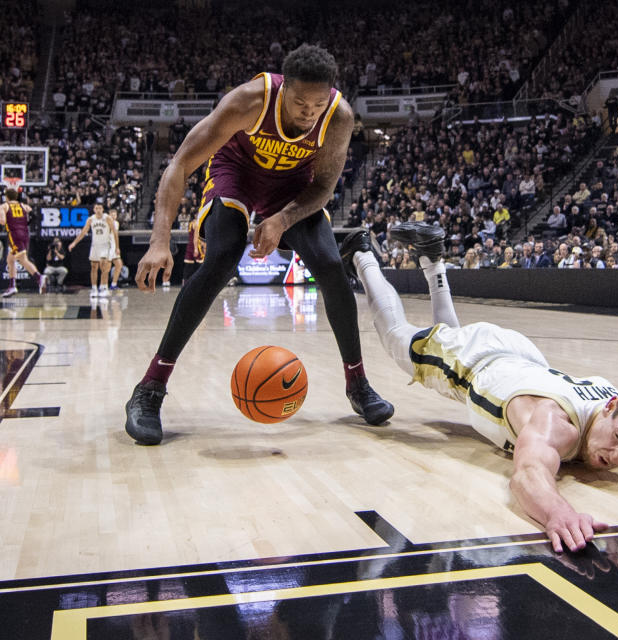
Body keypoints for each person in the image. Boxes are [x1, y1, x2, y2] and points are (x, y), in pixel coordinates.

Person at [343, 222, 618, 552]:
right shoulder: (555, 424)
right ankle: (362, 252)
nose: (613, 457)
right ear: (611, 407)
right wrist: (557, 513)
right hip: (477, 360)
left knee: (444, 338)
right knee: (396, 335)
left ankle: (434, 259)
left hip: (521, 356)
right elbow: (527, 474)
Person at [124, 44, 393, 446]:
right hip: (237, 175)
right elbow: (179, 163)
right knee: (220, 259)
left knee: (330, 266)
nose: (308, 112)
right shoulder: (250, 100)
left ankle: (358, 383)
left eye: (316, 104)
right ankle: (150, 388)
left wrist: (283, 219)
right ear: (283, 90)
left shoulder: (339, 117)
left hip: (292, 189)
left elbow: (323, 187)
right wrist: (159, 240)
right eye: (300, 102)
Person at [0, 188, 47, 297]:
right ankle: (12, 286)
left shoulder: (4, 206)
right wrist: (26, 222)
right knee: (10, 259)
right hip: (25, 234)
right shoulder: (23, 205)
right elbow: (35, 215)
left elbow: (2, 222)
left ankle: (39, 277)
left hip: (14, 234)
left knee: (22, 259)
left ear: (6, 197)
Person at [68, 203, 118, 298]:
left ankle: (104, 287)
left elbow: (115, 232)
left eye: (100, 208)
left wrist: (117, 247)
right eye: (96, 208)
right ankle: (94, 288)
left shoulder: (107, 218)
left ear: (103, 209)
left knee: (104, 266)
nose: (98, 210)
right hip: (95, 245)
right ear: (94, 209)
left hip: (105, 245)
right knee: (94, 267)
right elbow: (83, 232)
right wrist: (74, 243)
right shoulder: (91, 219)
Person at [107, 209, 124, 289]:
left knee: (119, 265)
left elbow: (116, 236)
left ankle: (113, 284)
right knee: (106, 267)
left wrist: (117, 247)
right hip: (108, 246)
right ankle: (103, 285)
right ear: (109, 215)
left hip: (114, 246)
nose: (113, 216)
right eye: (112, 215)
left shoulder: (116, 223)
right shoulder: (106, 223)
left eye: (115, 215)